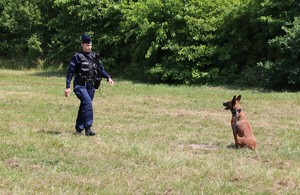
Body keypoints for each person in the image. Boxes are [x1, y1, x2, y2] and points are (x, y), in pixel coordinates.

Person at [65, 34, 114, 136]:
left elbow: (100, 69)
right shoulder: (77, 57)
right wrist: (68, 86)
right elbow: (70, 72)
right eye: (87, 45)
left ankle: (79, 129)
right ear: (82, 45)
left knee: (85, 105)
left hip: (90, 86)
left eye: (90, 45)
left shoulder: (94, 57)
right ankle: (88, 129)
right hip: (80, 85)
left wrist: (108, 77)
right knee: (87, 103)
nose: (89, 47)